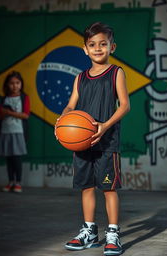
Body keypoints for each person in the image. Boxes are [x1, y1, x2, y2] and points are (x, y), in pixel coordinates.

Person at [62, 22, 130, 255]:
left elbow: (124, 106)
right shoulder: (80, 78)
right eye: (92, 44)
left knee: (109, 188)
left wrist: (105, 126)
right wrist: (62, 121)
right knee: (86, 187)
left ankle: (113, 233)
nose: (98, 48)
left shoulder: (116, 73)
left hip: (107, 142)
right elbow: (71, 105)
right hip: (82, 142)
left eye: (103, 44)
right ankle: (89, 231)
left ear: (112, 47)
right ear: (85, 49)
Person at [0, 71, 30, 193]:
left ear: (21, 84)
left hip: (18, 132)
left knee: (16, 158)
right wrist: (2, 113)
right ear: (7, 85)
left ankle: (18, 182)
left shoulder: (24, 97)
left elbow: (26, 115)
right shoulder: (4, 98)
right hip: (5, 132)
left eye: (17, 83)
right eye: (11, 83)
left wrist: (9, 113)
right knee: (8, 158)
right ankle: (10, 181)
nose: (15, 86)